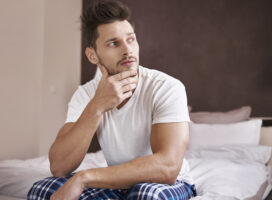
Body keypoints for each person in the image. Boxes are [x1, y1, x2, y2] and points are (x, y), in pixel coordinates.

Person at [27, 0, 196, 199]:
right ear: (92, 55)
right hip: (118, 183)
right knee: (43, 190)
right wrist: (97, 105)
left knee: (145, 194)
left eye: (131, 39)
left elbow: (167, 168)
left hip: (168, 183)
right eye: (114, 43)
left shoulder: (166, 87)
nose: (128, 50)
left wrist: (84, 178)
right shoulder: (85, 94)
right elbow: (59, 166)